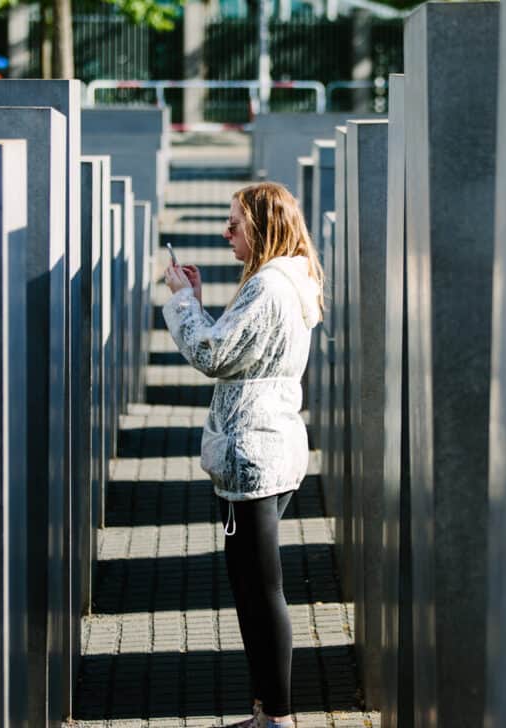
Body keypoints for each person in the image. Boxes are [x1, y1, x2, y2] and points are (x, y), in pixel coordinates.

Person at [162, 182, 324, 728]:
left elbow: (212, 354)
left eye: (235, 223)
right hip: (271, 441)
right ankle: (265, 711)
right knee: (255, 587)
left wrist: (182, 302)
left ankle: (275, 716)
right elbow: (237, 352)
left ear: (263, 226)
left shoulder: (268, 287)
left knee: (260, 591)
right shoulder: (288, 278)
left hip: (252, 451)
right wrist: (203, 306)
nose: (225, 232)